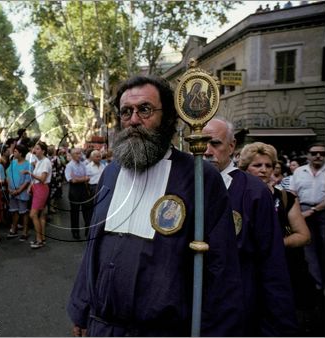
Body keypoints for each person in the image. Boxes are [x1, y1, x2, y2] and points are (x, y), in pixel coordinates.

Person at [67, 76, 244, 336]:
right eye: (126, 112)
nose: (134, 120)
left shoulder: (199, 178)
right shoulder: (111, 173)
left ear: (168, 117)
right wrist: (81, 309)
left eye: (145, 109)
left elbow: (221, 268)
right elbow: (94, 246)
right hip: (102, 327)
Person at [202, 118, 298, 336]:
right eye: (200, 142)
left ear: (232, 146)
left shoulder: (254, 192)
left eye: (215, 143)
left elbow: (271, 261)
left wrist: (279, 325)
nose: (206, 151)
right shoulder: (184, 185)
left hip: (236, 307)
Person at [238, 141, 317, 335]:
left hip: (286, 268)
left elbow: (304, 236)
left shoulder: (285, 198)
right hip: (249, 271)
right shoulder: (236, 196)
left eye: (269, 165)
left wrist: (274, 244)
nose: (264, 170)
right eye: (257, 165)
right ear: (245, 168)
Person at [290, 144, 325, 292]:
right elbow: (292, 193)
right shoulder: (299, 171)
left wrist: (314, 210)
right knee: (308, 250)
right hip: (302, 210)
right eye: (314, 153)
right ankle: (317, 285)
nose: (318, 156)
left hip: (322, 210)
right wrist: (298, 213)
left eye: (322, 154)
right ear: (308, 155)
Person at [21, 141, 51, 249]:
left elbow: (42, 179)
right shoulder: (39, 161)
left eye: (38, 149)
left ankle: (39, 240)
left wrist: (29, 173)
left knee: (33, 214)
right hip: (37, 188)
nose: (35, 150)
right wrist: (31, 186)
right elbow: (37, 178)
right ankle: (41, 239)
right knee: (41, 215)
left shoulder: (46, 162)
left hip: (41, 189)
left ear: (43, 151)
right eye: (35, 148)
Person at [65, 148, 92, 239]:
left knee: (87, 211)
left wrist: (78, 179)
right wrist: (82, 178)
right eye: (77, 153)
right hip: (74, 190)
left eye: (80, 153)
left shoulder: (83, 165)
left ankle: (88, 230)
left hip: (83, 189)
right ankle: (75, 232)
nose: (79, 155)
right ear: (72, 155)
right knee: (75, 212)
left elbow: (87, 178)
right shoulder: (69, 166)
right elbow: (72, 180)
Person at [6, 144, 31, 239]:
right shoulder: (13, 162)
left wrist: (19, 190)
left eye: (15, 151)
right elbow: (8, 175)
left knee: (24, 212)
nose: (13, 153)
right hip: (12, 191)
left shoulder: (27, 165)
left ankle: (25, 232)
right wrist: (9, 188)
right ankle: (14, 229)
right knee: (14, 211)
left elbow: (27, 180)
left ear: (21, 153)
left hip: (22, 192)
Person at [85, 149, 106, 221]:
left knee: (101, 205)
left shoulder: (103, 166)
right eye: (97, 157)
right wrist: (88, 190)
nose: (99, 158)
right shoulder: (88, 167)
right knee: (93, 205)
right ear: (92, 157)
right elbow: (86, 181)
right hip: (93, 188)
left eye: (100, 156)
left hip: (102, 187)